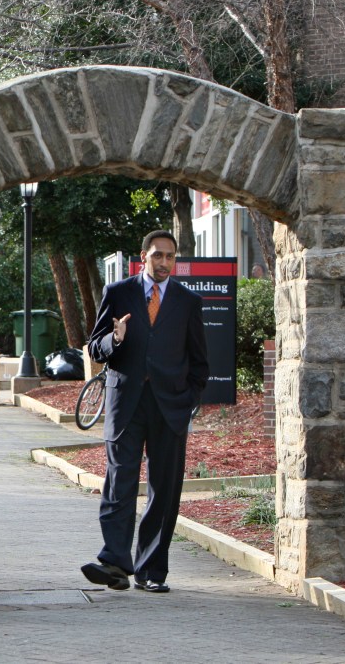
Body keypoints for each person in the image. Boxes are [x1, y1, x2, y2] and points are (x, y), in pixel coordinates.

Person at [81, 229, 209, 594]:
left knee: (163, 490)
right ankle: (115, 562)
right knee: (119, 483)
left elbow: (200, 364)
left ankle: (152, 569)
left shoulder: (187, 302)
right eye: (157, 255)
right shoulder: (118, 293)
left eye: (170, 256)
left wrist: (186, 401)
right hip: (127, 405)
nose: (164, 262)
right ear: (143, 256)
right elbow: (95, 347)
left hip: (170, 407)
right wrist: (115, 339)